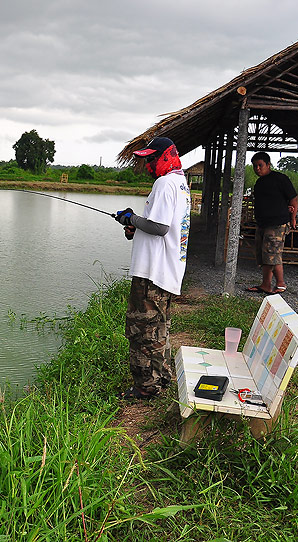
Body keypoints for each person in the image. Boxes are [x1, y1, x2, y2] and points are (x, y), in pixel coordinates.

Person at [114, 137, 191, 400]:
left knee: (141, 330)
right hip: (167, 270)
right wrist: (136, 226)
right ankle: (161, 377)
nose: (147, 164)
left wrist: (130, 217)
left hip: (151, 273)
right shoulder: (180, 183)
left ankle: (145, 387)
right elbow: (159, 225)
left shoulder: (165, 183)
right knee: (159, 328)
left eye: (151, 158)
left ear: (166, 156)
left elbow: (159, 228)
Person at [246, 151, 298, 294]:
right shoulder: (259, 183)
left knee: (273, 254)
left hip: (277, 223)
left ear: (268, 164)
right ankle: (266, 285)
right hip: (262, 223)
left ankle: (281, 284)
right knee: (263, 255)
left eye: (260, 165)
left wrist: (293, 218)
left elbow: (293, 199)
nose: (257, 168)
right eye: (255, 166)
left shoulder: (280, 179)